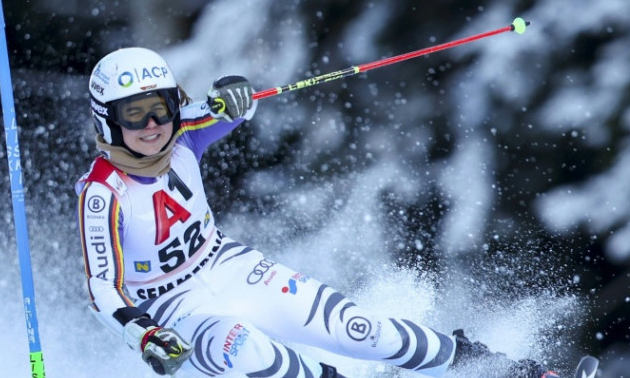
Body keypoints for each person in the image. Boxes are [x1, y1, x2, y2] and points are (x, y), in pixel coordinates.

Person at [76, 47, 561, 378]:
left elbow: (234, 108)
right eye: (133, 115)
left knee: (359, 329)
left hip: (231, 268)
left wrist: (234, 91)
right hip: (175, 310)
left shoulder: (183, 135)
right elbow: (102, 287)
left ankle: (502, 368)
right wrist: (146, 336)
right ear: (107, 120)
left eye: (160, 106)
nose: (153, 125)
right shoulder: (103, 193)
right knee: (252, 354)